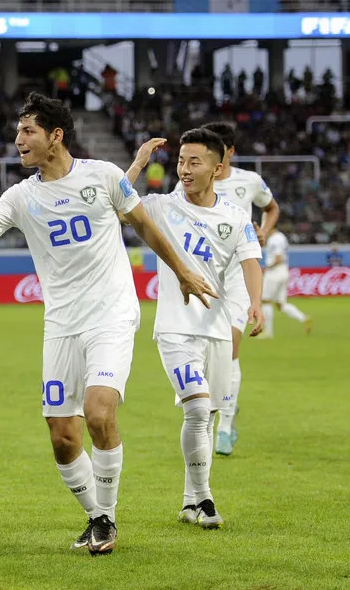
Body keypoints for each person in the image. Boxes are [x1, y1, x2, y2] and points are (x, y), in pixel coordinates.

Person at [0, 92, 215, 556]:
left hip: (112, 313)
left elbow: (145, 227)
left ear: (55, 136)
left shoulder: (104, 176)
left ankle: (108, 520)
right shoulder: (21, 196)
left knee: (97, 413)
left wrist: (182, 271)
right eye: (17, 132)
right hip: (61, 324)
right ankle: (96, 516)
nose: (18, 140)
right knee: (61, 435)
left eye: (28, 131)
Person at [130, 129, 264, 529]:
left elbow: (251, 261)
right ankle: (205, 500)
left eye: (194, 162)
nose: (184, 170)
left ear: (217, 168)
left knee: (205, 417)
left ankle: (189, 502)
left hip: (217, 329)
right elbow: (118, 202)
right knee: (198, 406)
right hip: (175, 329)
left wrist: (255, 302)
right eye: (180, 162)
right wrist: (138, 163)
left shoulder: (237, 218)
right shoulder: (160, 206)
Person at [261, 228, 311, 337]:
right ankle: (303, 318)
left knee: (265, 300)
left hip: (274, 272)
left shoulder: (274, 239)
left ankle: (268, 332)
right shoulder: (282, 237)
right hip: (284, 271)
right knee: (280, 304)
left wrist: (267, 267)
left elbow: (278, 257)